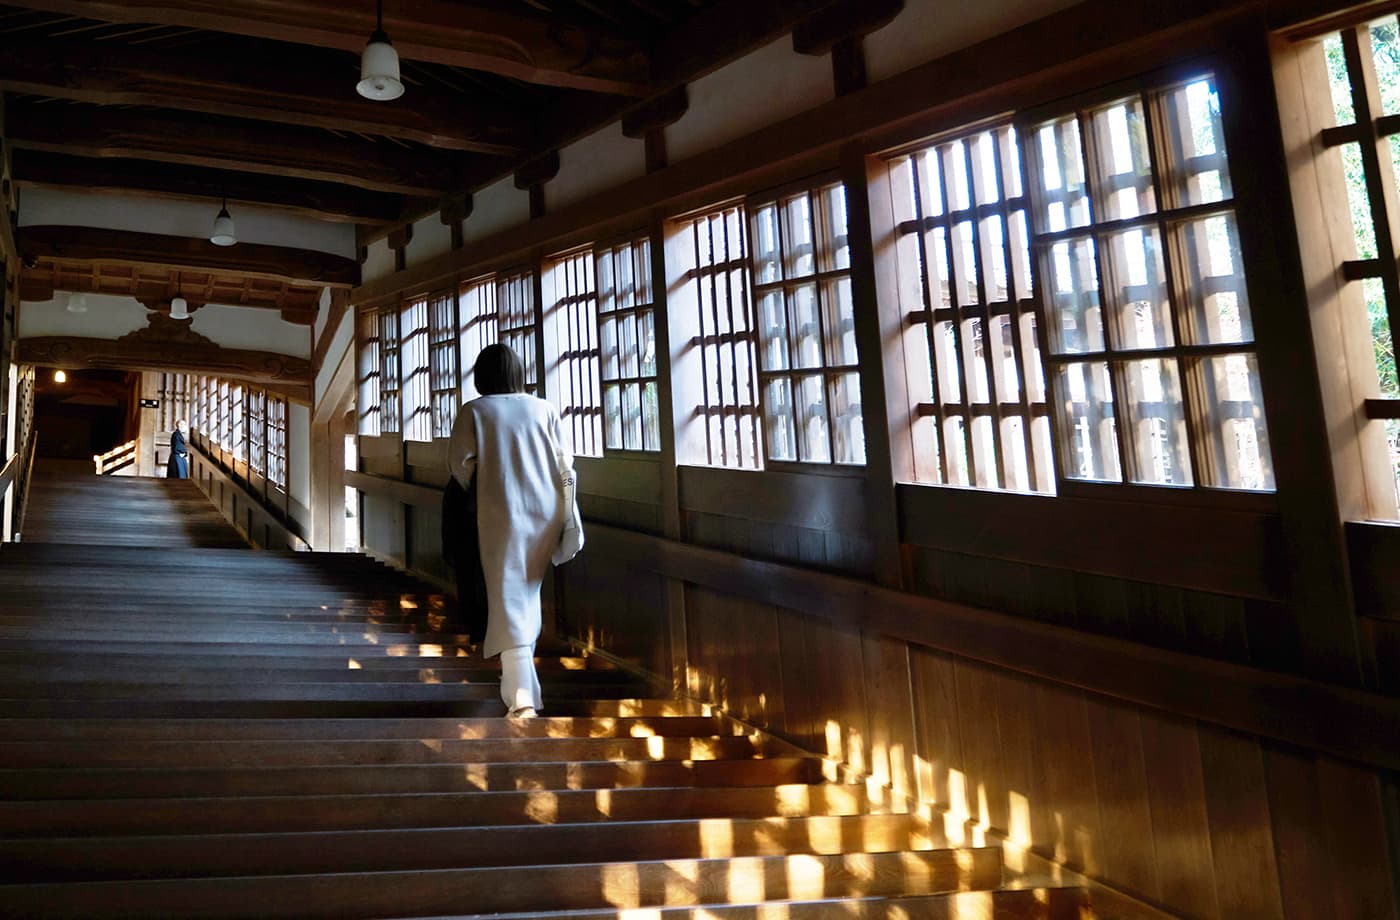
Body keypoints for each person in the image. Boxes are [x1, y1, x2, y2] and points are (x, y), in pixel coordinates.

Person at [447, 344, 580, 719]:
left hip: (499, 510)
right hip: (544, 511)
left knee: (507, 597)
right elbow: (564, 462)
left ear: (481, 375)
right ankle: (524, 693)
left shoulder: (476, 411)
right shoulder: (545, 409)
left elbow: (460, 465)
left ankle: (522, 699)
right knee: (524, 593)